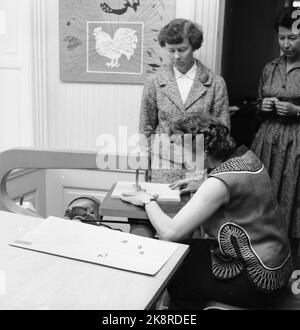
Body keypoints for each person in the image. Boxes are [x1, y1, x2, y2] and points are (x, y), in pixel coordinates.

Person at [122, 113, 293, 309]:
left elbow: (170, 233)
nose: (179, 157)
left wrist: (147, 200)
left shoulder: (218, 183)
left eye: (181, 150)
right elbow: (239, 185)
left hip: (256, 280)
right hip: (278, 265)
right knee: (183, 251)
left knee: (176, 272)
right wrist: (201, 183)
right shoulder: (246, 157)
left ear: (202, 151)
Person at [139, 18, 230, 189]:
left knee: (195, 213)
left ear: (194, 46)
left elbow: (222, 130)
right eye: (171, 50)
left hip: (200, 164)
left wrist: (211, 169)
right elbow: (146, 126)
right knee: (162, 210)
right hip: (163, 165)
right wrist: (149, 161)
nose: (176, 56)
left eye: (182, 50)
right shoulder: (154, 81)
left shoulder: (215, 83)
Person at [251, 7, 300, 261]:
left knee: (293, 203)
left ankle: (291, 265)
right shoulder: (269, 68)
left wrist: (296, 110)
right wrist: (263, 107)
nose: (286, 44)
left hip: (297, 145)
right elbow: (258, 110)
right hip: (267, 143)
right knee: (263, 200)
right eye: (281, 38)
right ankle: (262, 262)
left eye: (292, 38)